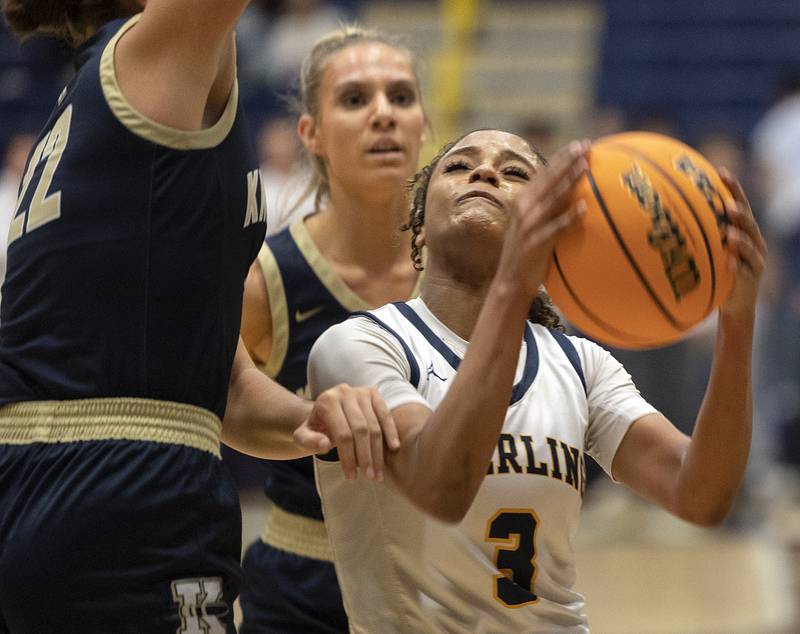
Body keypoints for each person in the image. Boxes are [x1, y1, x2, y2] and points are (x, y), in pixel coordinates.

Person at [0, 3, 395, 633]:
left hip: (55, 482)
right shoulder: (149, 58)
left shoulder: (112, 99)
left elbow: (228, 389)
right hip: (124, 492)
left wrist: (309, 419)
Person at [310, 128, 766, 632]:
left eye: (514, 173)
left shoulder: (579, 364)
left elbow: (700, 495)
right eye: (459, 167)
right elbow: (441, 487)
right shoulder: (361, 346)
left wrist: (737, 320)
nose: (485, 172)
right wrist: (515, 280)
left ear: (555, 235)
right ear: (419, 230)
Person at [236, 26, 426, 633]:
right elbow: (225, 405)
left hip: (446, 581)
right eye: (354, 99)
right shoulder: (266, 279)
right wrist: (312, 422)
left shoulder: (472, 277)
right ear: (310, 133)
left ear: (423, 124)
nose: (383, 114)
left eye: (401, 97)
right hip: (304, 589)